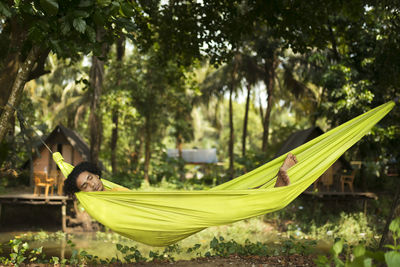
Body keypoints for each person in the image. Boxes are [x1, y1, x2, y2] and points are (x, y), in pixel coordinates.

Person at [63, 153, 298, 195]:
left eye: (90, 178)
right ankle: (273, 188)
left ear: (96, 174)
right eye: (84, 185)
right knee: (224, 198)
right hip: (159, 217)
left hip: (168, 205)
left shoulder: (109, 188)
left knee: (224, 194)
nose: (91, 184)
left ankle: (272, 187)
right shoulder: (102, 200)